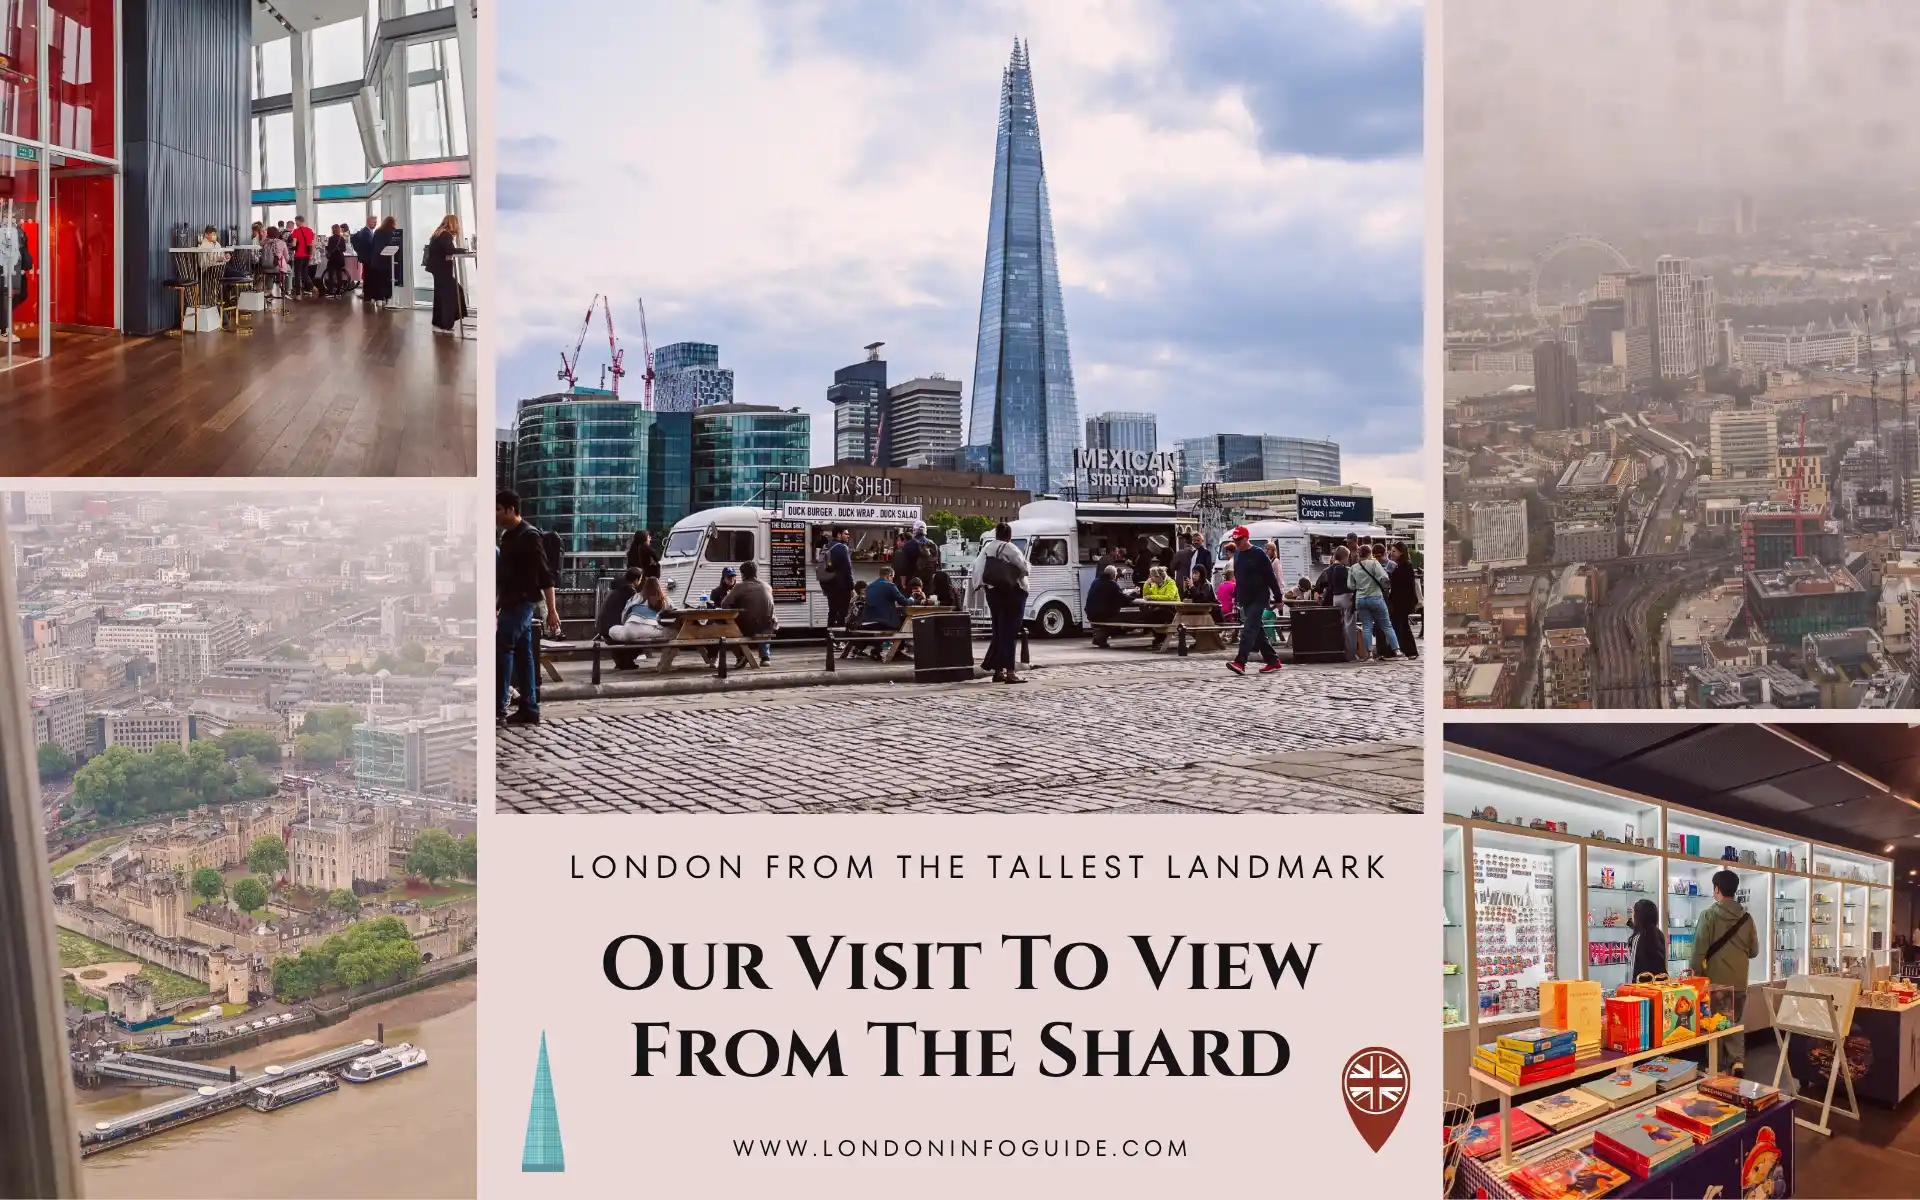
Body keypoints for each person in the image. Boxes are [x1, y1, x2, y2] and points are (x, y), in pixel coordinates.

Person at [496, 489, 560, 726]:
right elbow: (504, 577)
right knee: (524, 655)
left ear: (511, 509)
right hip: (511, 602)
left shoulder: (530, 536)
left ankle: (499, 707)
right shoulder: (508, 537)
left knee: (502, 648)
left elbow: (546, 576)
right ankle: (529, 708)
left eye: (498, 509)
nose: (495, 514)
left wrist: (552, 611)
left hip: (522, 603)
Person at [1690, 869, 1759, 1075]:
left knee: (1715, 1023)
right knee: (1734, 1022)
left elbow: (1698, 950)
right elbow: (1754, 951)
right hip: (1739, 979)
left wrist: (1693, 975)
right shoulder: (1747, 918)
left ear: (1717, 889)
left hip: (1716, 980)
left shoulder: (1709, 915)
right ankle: (1737, 1062)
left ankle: (1717, 1067)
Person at [969, 522, 1031, 684]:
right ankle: (1010, 672)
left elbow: (976, 567)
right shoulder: (1010, 548)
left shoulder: (987, 548)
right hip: (1012, 593)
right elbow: (1025, 568)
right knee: (1010, 632)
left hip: (993, 593)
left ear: (996, 534)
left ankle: (998, 671)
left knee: (999, 631)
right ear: (1009, 535)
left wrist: (981, 586)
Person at [1225, 525, 1281, 674]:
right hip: (1246, 598)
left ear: (1246, 538)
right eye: (1235, 539)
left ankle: (1240, 661)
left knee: (1249, 629)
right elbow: (1239, 578)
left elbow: (1271, 577)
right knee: (1257, 631)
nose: (1236, 542)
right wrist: (1236, 596)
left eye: (1239, 539)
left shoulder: (1258, 554)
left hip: (1259, 597)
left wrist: (1278, 597)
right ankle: (1273, 660)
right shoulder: (1237, 555)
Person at [1348, 543, 1401, 661]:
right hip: (1376, 597)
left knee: (1367, 627)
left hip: (1361, 599)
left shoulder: (1353, 568)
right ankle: (1397, 651)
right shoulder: (1375, 563)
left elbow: (1350, 585)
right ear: (1370, 554)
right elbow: (1384, 578)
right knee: (1386, 625)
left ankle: (1369, 654)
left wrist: (1361, 585)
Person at [606, 574, 675, 650]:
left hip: (629, 629)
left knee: (611, 630)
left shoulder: (636, 597)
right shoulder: (664, 599)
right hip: (650, 629)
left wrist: (625, 624)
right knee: (672, 632)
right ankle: (665, 660)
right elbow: (673, 608)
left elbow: (625, 613)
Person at [730, 559, 779, 666]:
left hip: (751, 627)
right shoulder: (767, 586)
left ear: (743, 574)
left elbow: (725, 604)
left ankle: (741, 656)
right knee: (764, 620)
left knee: (728, 629)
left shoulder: (740, 587)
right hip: (771, 626)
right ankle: (765, 657)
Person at [425, 213, 468, 332]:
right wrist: (463, 250)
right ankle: (445, 324)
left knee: (441, 295)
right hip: (443, 269)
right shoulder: (446, 235)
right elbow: (449, 250)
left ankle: (438, 323)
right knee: (450, 294)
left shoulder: (437, 233)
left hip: (436, 269)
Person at [596, 568, 645, 670]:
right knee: (643, 636)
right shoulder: (629, 590)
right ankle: (625, 661)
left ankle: (621, 661)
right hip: (611, 628)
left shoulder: (618, 588)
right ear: (636, 580)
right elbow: (638, 609)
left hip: (604, 627)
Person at [1317, 546, 1356, 661]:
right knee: (1349, 626)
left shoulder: (1329, 569)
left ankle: (1339, 650)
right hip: (1346, 596)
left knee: (1338, 626)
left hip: (1335, 598)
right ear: (1344, 557)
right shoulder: (1345, 569)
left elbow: (1328, 586)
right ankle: (1350, 654)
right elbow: (1351, 585)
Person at [1386, 544, 1420, 660]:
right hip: (1399, 601)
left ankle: (1408, 650)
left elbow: (1402, 583)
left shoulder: (1405, 566)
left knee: (1402, 626)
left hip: (1402, 602)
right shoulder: (1399, 566)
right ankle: (1405, 650)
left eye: (1394, 551)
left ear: (1401, 553)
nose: (1392, 553)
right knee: (1401, 625)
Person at [820, 527, 855, 627]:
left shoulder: (826, 546)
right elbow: (848, 569)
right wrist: (852, 587)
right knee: (842, 614)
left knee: (832, 612)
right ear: (839, 535)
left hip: (829, 586)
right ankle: (840, 639)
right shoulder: (842, 548)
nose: (848, 536)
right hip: (841, 587)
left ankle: (830, 637)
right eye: (846, 534)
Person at [364, 216, 401, 304]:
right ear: (392, 223)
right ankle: (387, 298)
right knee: (387, 280)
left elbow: (375, 247)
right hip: (388, 261)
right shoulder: (393, 233)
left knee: (377, 280)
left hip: (377, 260)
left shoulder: (378, 232)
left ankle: (378, 298)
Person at [1629, 898, 1666, 982]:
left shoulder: (1638, 938)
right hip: (1659, 984)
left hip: (1642, 987)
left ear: (1638, 917)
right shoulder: (1658, 934)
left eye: (1633, 913)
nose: (1632, 915)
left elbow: (1634, 969)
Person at [350, 215, 378, 300]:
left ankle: (367, 294)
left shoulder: (366, 231)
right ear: (369, 222)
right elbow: (369, 246)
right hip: (368, 259)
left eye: (376, 222)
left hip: (366, 258)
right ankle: (368, 295)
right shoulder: (366, 232)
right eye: (374, 222)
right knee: (369, 277)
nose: (375, 224)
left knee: (367, 277)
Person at [287, 215, 316, 298]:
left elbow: (294, 244)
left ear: (299, 221)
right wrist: (311, 255)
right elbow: (313, 245)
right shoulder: (310, 231)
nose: (295, 223)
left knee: (297, 274)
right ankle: (313, 287)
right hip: (307, 255)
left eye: (296, 222)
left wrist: (291, 245)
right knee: (305, 273)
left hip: (299, 255)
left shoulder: (296, 231)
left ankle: (298, 294)